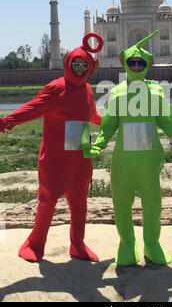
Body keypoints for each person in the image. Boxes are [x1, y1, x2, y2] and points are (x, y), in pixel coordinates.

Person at [82, 30, 172, 266]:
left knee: (152, 203)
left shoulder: (155, 91)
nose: (135, 65)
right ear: (125, 63)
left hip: (149, 159)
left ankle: (152, 244)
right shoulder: (117, 92)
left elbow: (167, 121)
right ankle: (127, 244)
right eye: (132, 62)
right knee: (121, 202)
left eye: (139, 62)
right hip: (123, 160)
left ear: (146, 64)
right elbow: (109, 125)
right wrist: (99, 145)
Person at [0, 32, 104, 262]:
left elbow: (92, 115)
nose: (79, 68)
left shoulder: (86, 90)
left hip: (79, 158)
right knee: (47, 203)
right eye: (75, 64)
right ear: (68, 63)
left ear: (89, 67)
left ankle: (77, 245)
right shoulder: (56, 88)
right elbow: (32, 108)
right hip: (55, 160)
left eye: (83, 65)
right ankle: (35, 244)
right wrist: (6, 121)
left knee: (79, 205)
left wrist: (113, 122)